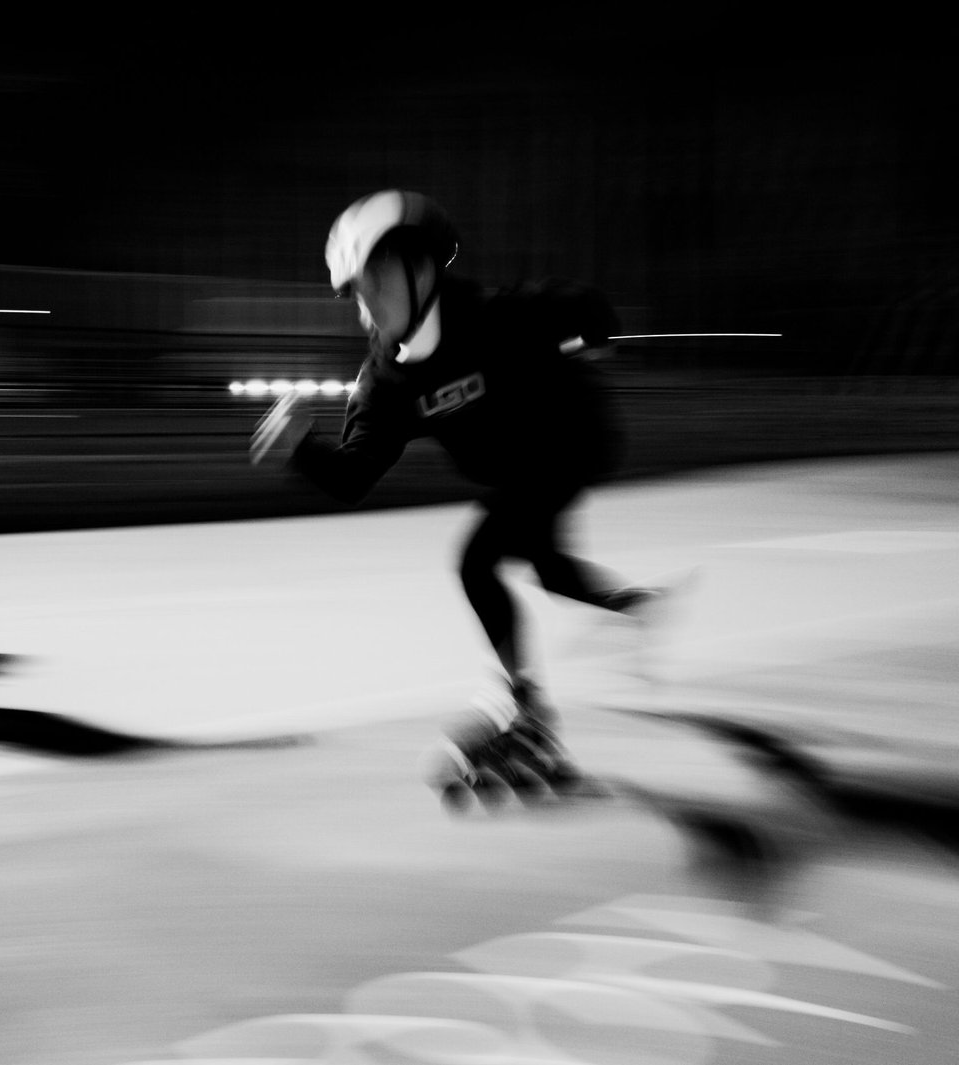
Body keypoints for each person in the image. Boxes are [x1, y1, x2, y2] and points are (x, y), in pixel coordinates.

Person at [251, 188, 674, 809]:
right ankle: (631, 608)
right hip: (516, 469)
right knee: (544, 566)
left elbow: (578, 303)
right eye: (357, 293)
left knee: (479, 560)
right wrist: (301, 447)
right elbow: (353, 475)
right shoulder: (386, 383)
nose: (367, 305)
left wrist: (595, 329)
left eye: (376, 281)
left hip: (574, 438)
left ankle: (526, 711)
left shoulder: (496, 315)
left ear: (421, 268)